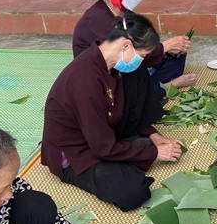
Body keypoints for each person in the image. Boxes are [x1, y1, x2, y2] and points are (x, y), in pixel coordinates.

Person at [42, 13, 182, 211]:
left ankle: (131, 154)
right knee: (133, 192)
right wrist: (155, 153)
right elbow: (101, 148)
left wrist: (153, 135)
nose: (139, 60)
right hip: (76, 153)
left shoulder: (109, 62)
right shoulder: (85, 82)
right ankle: (125, 161)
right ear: (126, 45)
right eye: (141, 55)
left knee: (137, 76)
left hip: (101, 134)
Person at [73, 0, 197, 91]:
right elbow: (124, 55)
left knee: (175, 56)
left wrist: (168, 50)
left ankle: (153, 86)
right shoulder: (96, 18)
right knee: (137, 75)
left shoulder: (124, 13)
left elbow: (139, 45)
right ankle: (165, 87)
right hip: (107, 75)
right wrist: (164, 47)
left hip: (129, 60)